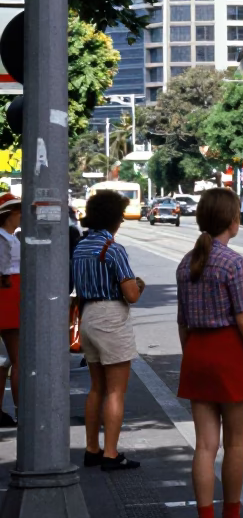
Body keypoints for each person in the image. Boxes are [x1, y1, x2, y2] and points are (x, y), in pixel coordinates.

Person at [177, 187, 243, 518]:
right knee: (235, 444)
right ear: (231, 221)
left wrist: (193, 356)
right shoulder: (234, 263)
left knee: (204, 446)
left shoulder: (186, 262)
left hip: (197, 354)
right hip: (230, 354)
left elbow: (183, 322)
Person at [71, 190, 144, 470]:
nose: (122, 221)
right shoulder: (112, 249)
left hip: (88, 315)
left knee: (97, 388)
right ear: (114, 217)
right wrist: (138, 285)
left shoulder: (81, 246)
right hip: (111, 316)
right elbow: (131, 294)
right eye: (121, 216)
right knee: (116, 391)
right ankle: (111, 454)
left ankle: (92, 448)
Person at [0, 193, 21, 427]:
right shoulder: (4, 238)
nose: (22, 214)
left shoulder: (11, 237)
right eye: (17, 210)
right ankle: (21, 409)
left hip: (11, 295)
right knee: (19, 360)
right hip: (8, 297)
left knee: (5, 361)